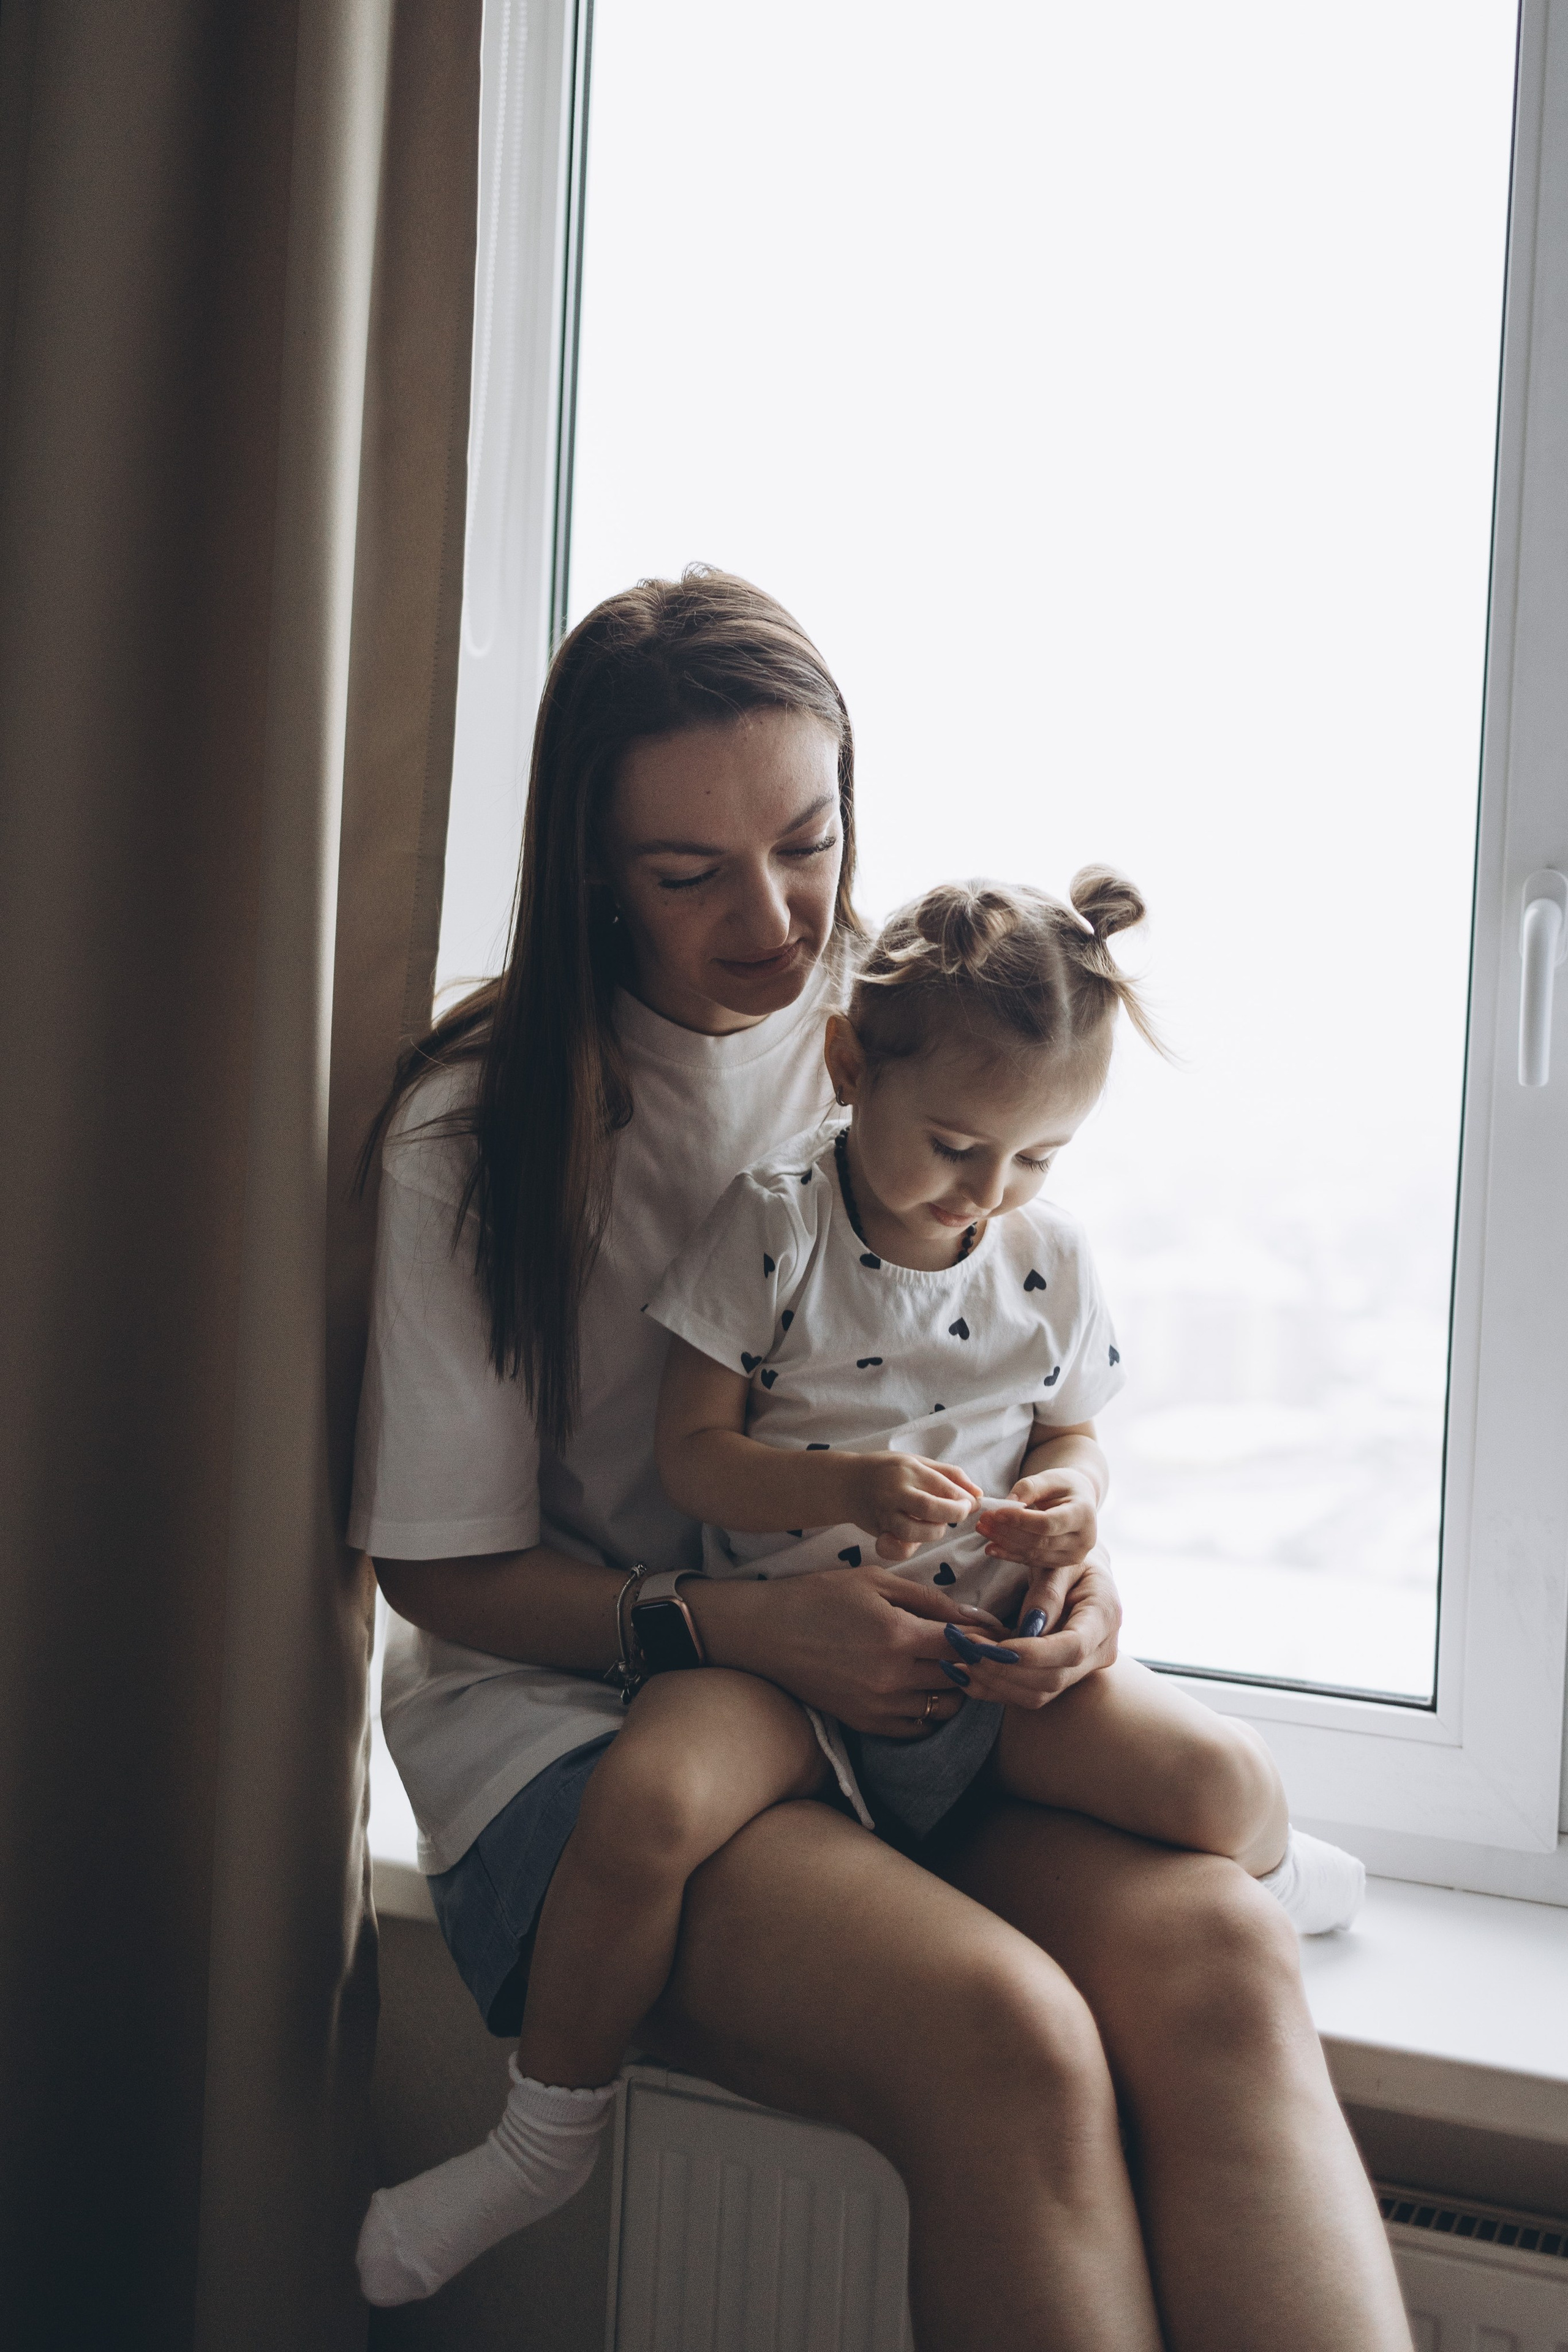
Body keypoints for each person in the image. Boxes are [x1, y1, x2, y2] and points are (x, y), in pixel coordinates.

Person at [351, 570, 1414, 2348]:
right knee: (1008, 2043)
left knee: (1226, 1962)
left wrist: (1068, 1565)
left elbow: (1021, 1374)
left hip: (896, 1686)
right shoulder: (475, 1140)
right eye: (687, 874)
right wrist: (741, 1634)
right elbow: (443, 1579)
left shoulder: (922, 1032)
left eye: (807, 842)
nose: (770, 918)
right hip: (593, 1740)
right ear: (593, 872)